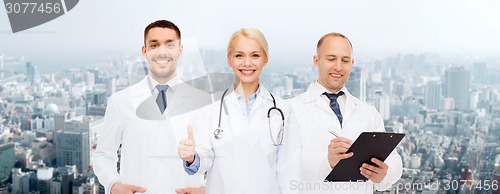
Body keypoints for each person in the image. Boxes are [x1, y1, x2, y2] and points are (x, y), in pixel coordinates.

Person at [92, 20, 210, 194]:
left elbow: (219, 158)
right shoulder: (120, 101)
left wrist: (205, 187)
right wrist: (114, 185)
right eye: (154, 45)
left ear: (180, 50)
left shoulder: (202, 102)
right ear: (144, 51)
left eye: (169, 45)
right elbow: (103, 154)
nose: (162, 51)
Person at [177, 28, 299, 194]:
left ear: (265, 59)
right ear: (229, 60)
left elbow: (289, 171)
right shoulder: (210, 109)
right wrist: (191, 157)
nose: (247, 63)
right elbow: (203, 160)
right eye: (239, 55)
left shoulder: (283, 111)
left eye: (255, 55)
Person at [287, 32, 403, 193]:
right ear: (316, 60)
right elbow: (282, 166)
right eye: (331, 58)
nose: (338, 67)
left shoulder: (368, 112)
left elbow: (394, 161)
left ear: (352, 63)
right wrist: (327, 162)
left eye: (345, 60)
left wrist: (385, 173)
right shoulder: (289, 110)